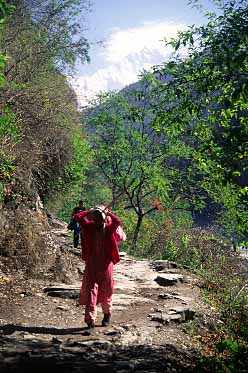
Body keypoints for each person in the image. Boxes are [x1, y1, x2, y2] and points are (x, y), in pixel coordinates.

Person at [74, 206, 121, 329]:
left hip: (105, 264)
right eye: (96, 218)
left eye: (100, 218)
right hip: (92, 263)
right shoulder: (90, 227)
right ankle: (91, 320)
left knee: (106, 291)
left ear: (103, 219)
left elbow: (117, 222)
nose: (98, 220)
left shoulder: (108, 229)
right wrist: (91, 211)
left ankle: (106, 315)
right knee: (91, 292)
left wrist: (107, 212)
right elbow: (77, 217)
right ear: (93, 219)